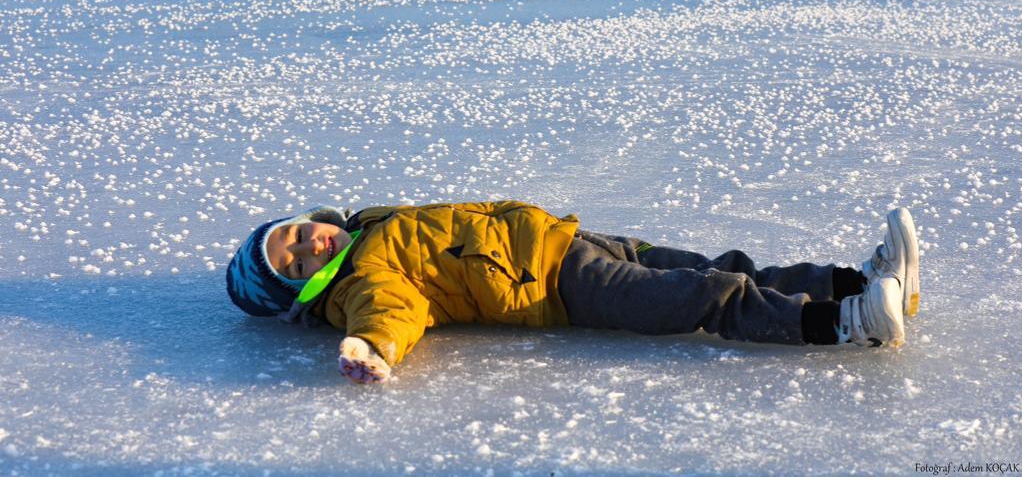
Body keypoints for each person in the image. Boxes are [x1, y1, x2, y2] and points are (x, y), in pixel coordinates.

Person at [225, 201, 920, 384]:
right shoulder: (361, 281)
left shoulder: (365, 223)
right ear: (302, 288)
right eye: (293, 258)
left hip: (564, 239)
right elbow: (393, 313)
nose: (308, 242)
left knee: (716, 262)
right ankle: (850, 321)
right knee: (703, 294)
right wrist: (371, 346)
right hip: (553, 283)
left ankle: (863, 283)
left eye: (294, 231)